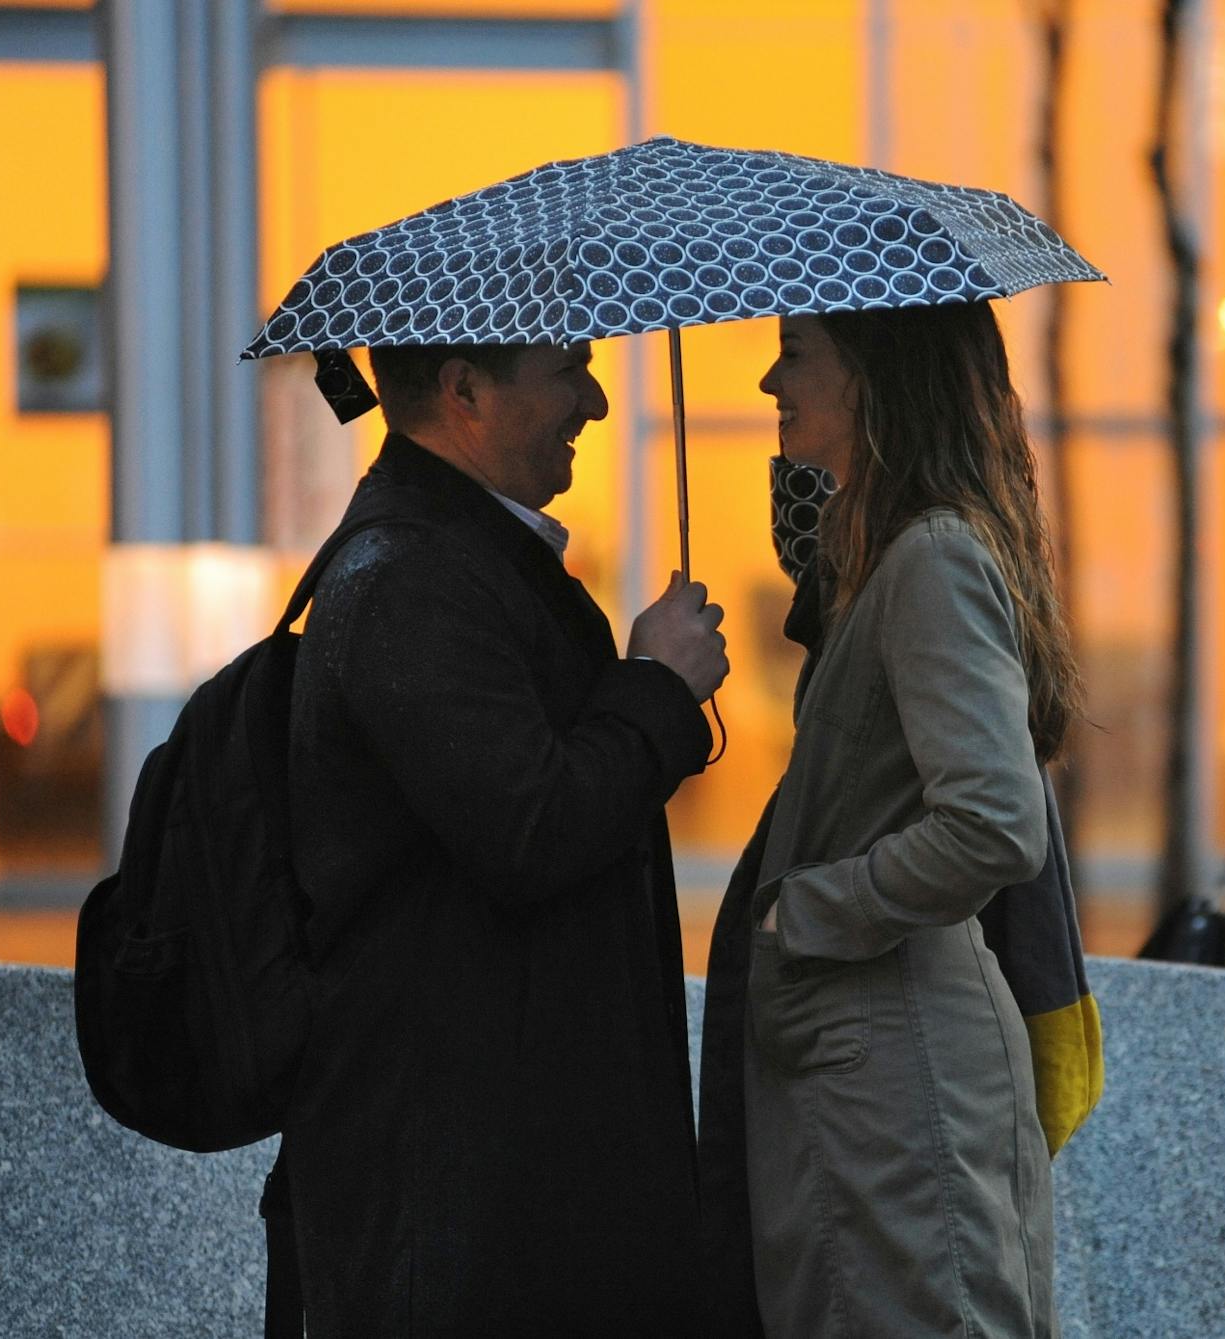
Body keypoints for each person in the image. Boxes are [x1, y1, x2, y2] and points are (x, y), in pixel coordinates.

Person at [275, 338, 728, 1336]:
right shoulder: (412, 582)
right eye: (567, 367)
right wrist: (655, 691)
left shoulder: (461, 562)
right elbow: (530, 825)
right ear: (464, 390)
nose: (598, 401)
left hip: (497, 1191)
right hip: (461, 1216)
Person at [712, 302, 1078, 1338]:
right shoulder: (891, 557)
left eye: (794, 355)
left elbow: (997, 823)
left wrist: (811, 910)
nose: (769, 385)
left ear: (873, 374)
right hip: (872, 1071)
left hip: (900, 1073)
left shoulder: (932, 558)